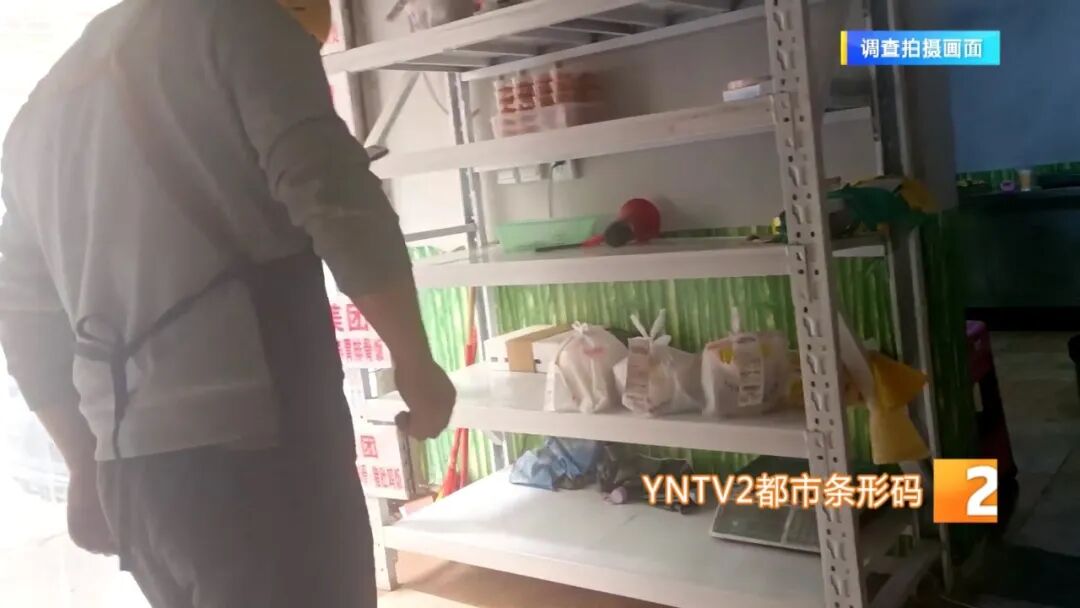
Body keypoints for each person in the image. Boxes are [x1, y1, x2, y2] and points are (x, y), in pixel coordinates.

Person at [0, 0, 456, 606]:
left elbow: (24, 320)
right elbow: (336, 197)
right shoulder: (238, 27)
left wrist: (84, 462)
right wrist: (415, 363)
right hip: (255, 456)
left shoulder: (39, 115)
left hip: (132, 476)